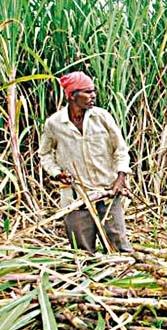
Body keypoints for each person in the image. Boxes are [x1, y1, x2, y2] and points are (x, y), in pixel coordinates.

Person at [39, 71, 133, 252]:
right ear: (72, 95)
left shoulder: (102, 117)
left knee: (119, 248)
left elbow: (121, 149)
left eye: (93, 91)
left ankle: (121, 276)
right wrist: (57, 173)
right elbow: (45, 155)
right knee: (82, 252)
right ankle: (89, 279)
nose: (93, 96)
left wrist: (120, 178)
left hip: (107, 192)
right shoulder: (55, 124)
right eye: (87, 92)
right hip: (76, 196)